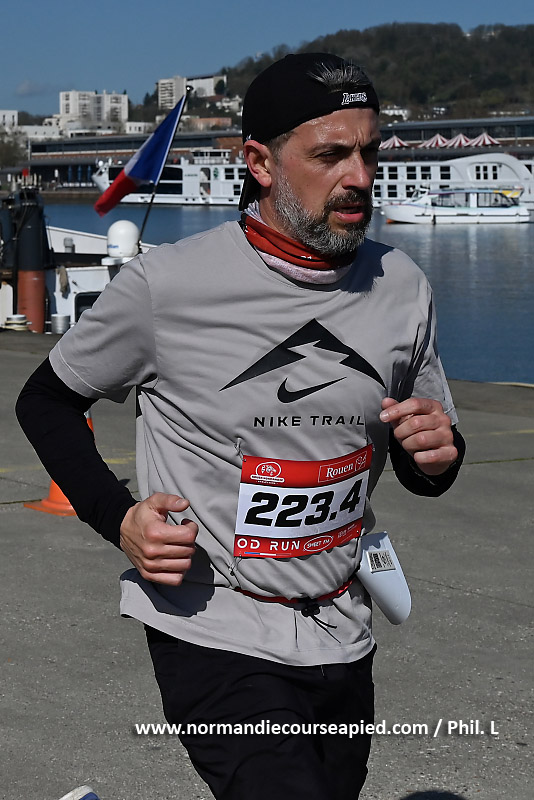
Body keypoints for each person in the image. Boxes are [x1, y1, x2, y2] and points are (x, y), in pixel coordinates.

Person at [17, 53, 465, 800]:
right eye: (330, 155)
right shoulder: (168, 285)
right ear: (259, 162)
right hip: (213, 626)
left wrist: (436, 456)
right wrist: (118, 517)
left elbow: (429, 455)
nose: (359, 176)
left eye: (370, 152)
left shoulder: (402, 286)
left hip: (342, 628)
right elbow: (45, 401)